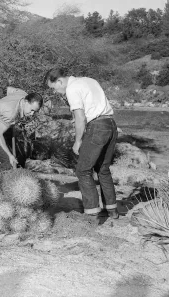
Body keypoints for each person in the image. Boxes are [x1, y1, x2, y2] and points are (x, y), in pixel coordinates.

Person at [44, 67, 119, 219]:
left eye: (54, 88)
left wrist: (77, 141)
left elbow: (80, 117)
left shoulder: (72, 89)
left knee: (83, 170)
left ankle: (91, 213)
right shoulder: (89, 80)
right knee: (103, 169)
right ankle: (112, 210)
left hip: (97, 127)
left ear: (59, 81)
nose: (55, 92)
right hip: (111, 124)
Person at [0, 88, 43, 170]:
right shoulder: (11, 113)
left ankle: (19, 173)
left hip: (5, 124)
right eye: (32, 110)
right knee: (9, 162)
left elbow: (9, 89)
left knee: (19, 156)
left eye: (35, 111)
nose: (32, 113)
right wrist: (9, 155)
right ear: (25, 101)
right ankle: (2, 181)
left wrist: (5, 104)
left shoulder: (23, 93)